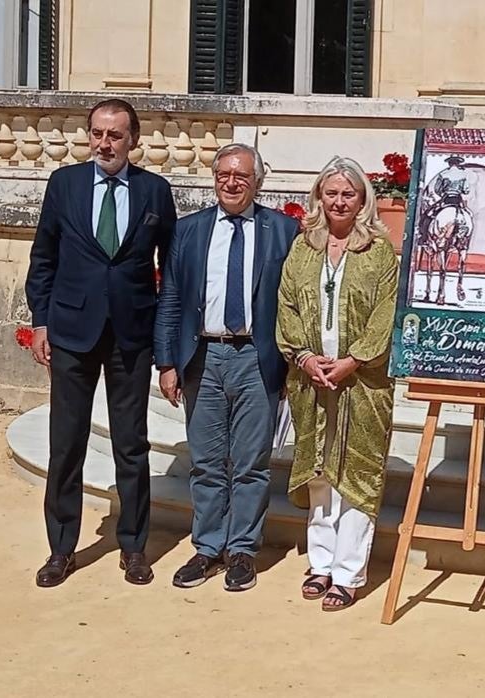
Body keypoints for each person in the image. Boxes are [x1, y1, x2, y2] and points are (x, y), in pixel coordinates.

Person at [25, 98, 177, 587]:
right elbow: (43, 257)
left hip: (130, 338)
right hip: (71, 332)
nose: (104, 143)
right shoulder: (64, 185)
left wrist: (165, 339)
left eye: (114, 135)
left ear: (134, 139)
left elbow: (169, 272)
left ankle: (134, 546)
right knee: (65, 443)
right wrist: (41, 322)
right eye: (97, 134)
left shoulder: (155, 192)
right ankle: (61, 548)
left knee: (131, 444)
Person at [153, 143, 299, 591]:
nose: (232, 183)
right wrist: (166, 362)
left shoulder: (284, 230)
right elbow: (172, 298)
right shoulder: (190, 231)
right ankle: (207, 547)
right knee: (208, 461)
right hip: (203, 358)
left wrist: (293, 364)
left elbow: (296, 302)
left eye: (241, 176)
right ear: (214, 179)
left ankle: (242, 550)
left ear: (258, 182)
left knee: (252, 463)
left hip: (258, 356)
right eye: (224, 175)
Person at [275, 156, 398, 611]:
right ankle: (320, 563)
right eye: (332, 193)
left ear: (363, 199)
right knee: (320, 474)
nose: (340, 201)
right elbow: (286, 303)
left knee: (357, 475)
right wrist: (304, 357)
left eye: (349, 193)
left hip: (362, 382)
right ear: (319, 197)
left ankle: (348, 573)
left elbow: (387, 313)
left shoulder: (379, 252)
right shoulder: (303, 247)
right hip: (310, 379)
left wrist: (353, 360)